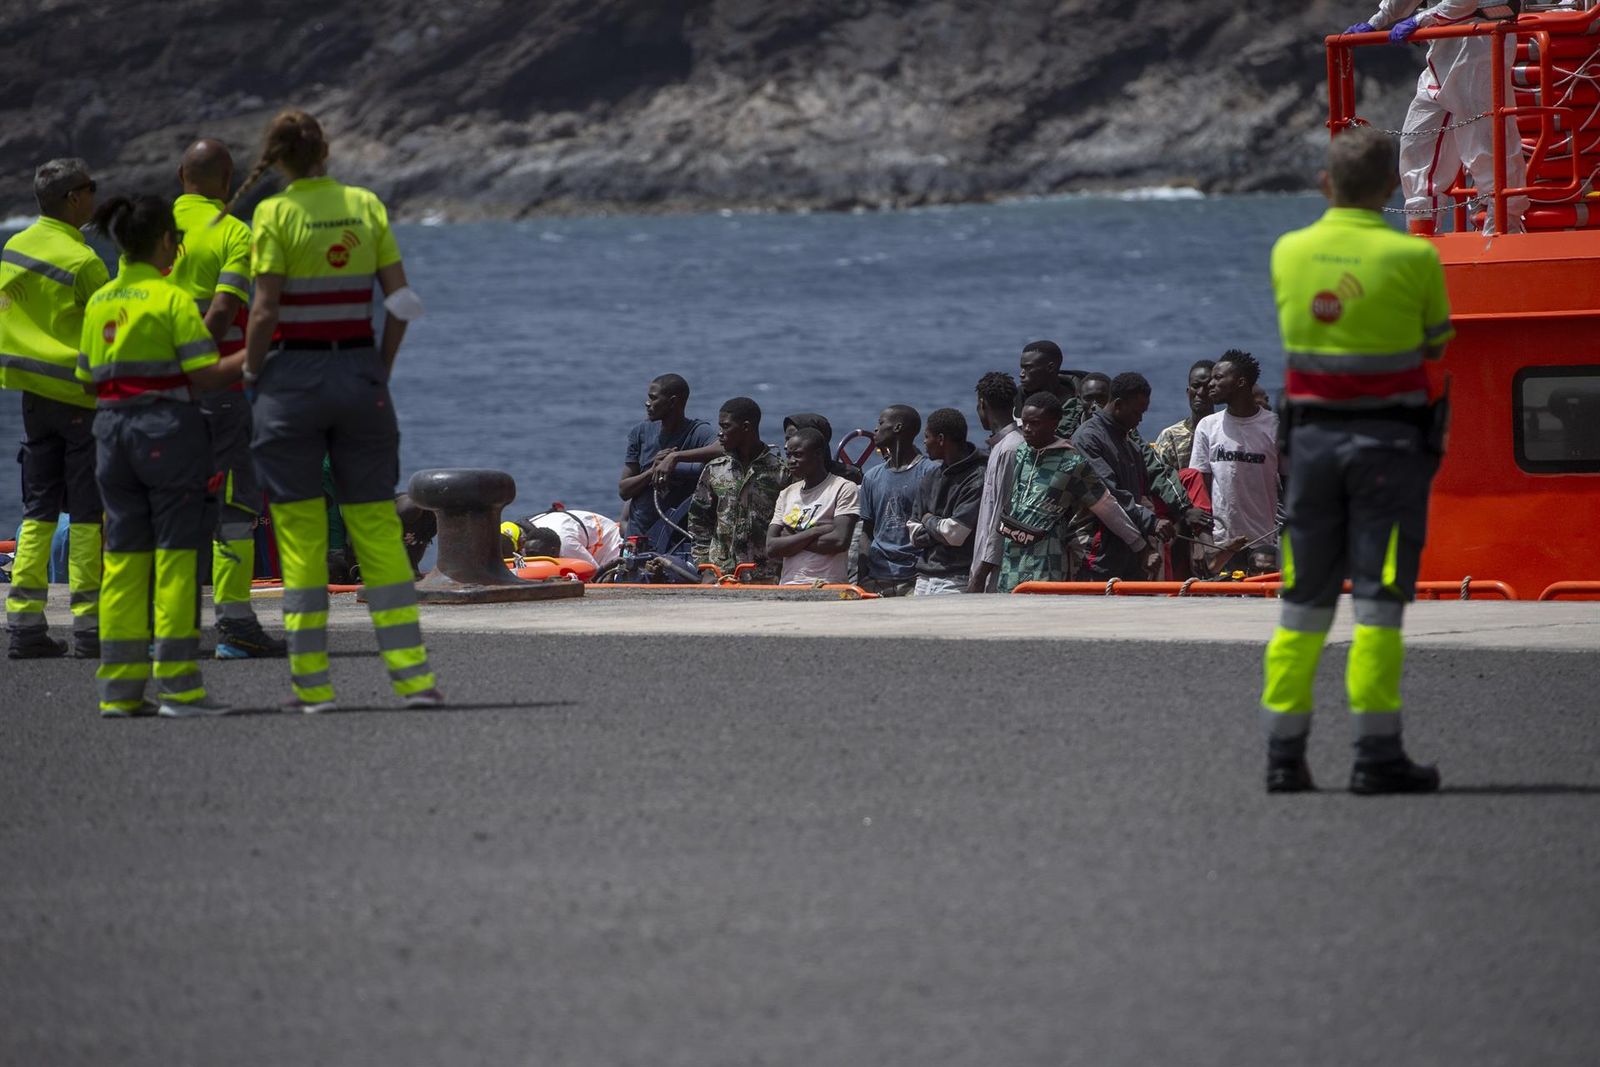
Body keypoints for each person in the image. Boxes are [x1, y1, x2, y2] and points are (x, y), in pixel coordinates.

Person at [229, 108, 440, 712]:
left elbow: (263, 311)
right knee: (377, 531)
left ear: (278, 159)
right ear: (325, 152)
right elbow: (401, 302)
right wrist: (379, 368)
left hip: (289, 384)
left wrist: (251, 376)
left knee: (300, 541)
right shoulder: (365, 205)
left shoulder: (274, 213)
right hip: (359, 378)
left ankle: (313, 687)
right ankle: (412, 680)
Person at [1261, 125, 1451, 795]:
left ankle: (1283, 757)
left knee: (1301, 605)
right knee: (1377, 604)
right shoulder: (1415, 257)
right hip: (1388, 453)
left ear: (1325, 184)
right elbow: (1436, 347)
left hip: (1310, 451)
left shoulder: (1288, 251)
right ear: (1392, 186)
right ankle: (1376, 755)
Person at [77, 195, 247, 715]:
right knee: (175, 559)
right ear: (166, 242)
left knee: (123, 562)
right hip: (167, 434)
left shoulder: (101, 300)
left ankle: (120, 691)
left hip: (110, 435)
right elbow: (206, 374)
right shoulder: (170, 298)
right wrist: (257, 353)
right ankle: (179, 687)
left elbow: (86, 379)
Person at [167, 138, 286, 659]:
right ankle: (234, 627)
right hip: (218, 390)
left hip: (155, 393)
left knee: (170, 510)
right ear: (230, 179)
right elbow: (224, 311)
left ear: (181, 174)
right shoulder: (234, 232)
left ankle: (171, 629)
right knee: (235, 509)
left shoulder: (149, 229)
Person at [0, 158, 108, 659]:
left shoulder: (14, 248)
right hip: (80, 400)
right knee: (86, 514)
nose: (95, 196)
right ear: (73, 199)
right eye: (91, 188)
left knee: (38, 510)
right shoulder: (84, 262)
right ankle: (89, 629)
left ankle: (24, 627)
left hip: (32, 398)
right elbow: (110, 329)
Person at [1344, 2, 1528, 235]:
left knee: (1485, 142)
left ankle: (1505, 227)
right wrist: (1376, 22)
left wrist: (1419, 20)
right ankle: (1422, 229)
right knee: (1416, 142)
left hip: (1478, 47)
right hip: (1443, 50)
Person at [998, 392, 1152, 592]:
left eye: (1034, 423)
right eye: (1024, 423)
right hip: (1011, 558)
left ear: (1054, 424)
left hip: (1046, 560)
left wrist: (1139, 545)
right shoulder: (1021, 453)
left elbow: (1107, 507)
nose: (1026, 429)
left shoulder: (1072, 463)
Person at [1070, 373, 1180, 579]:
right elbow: (1108, 496)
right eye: (1137, 412)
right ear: (1119, 404)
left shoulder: (1130, 445)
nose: (1140, 419)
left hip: (1130, 551)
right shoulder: (1087, 439)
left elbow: (1141, 497)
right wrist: (1150, 523)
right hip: (1097, 551)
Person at [1191, 351, 1280, 570]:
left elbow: (1290, 483)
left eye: (1218, 378)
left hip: (1265, 542)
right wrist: (1205, 542)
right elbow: (1199, 488)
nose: (1210, 384)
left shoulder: (1274, 426)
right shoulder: (1208, 426)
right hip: (1222, 544)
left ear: (1240, 382)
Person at [688, 396, 785, 583]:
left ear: (746, 427)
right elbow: (699, 523)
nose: (720, 433)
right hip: (720, 574)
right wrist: (705, 568)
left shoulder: (781, 473)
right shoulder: (715, 470)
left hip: (766, 576)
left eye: (726, 427)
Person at [618, 374, 715, 546]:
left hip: (675, 541)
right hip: (637, 539)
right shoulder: (640, 432)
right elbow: (624, 490)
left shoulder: (696, 432)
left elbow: (723, 448)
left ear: (673, 402)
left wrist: (675, 457)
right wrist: (652, 471)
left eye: (653, 398)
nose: (647, 403)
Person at [766, 427, 860, 585]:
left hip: (827, 584)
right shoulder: (786, 494)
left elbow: (839, 541)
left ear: (818, 454)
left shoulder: (843, 488)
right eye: (788, 455)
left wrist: (791, 538)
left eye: (798, 455)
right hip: (788, 585)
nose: (791, 461)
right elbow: (771, 548)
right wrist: (815, 531)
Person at [906, 408, 986, 595]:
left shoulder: (977, 477)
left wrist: (928, 520)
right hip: (924, 578)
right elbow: (913, 533)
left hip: (956, 579)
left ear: (941, 439)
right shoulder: (931, 477)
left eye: (927, 437)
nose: (924, 443)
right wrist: (941, 530)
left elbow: (955, 534)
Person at [856, 404, 930, 596]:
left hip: (916, 579)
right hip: (877, 578)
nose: (876, 429)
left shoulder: (930, 472)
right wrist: (863, 576)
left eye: (881, 423)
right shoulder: (872, 477)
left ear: (897, 427)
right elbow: (867, 530)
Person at [968, 371, 1023, 593]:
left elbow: (1003, 513)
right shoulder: (1000, 446)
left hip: (996, 571)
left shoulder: (1010, 449)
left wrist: (981, 573)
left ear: (982, 404)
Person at [501, 507, 622, 570]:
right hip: (586, 538)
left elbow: (591, 570)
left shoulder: (563, 542)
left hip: (609, 544)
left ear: (522, 543)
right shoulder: (536, 532)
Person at [1151, 359, 1217, 471]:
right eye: (1196, 386)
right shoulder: (1170, 437)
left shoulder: (1225, 433)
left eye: (1207, 387)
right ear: (1188, 391)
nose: (1200, 392)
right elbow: (1159, 476)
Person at [1018, 340, 1086, 437]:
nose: (1021, 374)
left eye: (1028, 368)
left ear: (1050, 367)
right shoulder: (1013, 400)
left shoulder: (1084, 403)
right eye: (1022, 368)